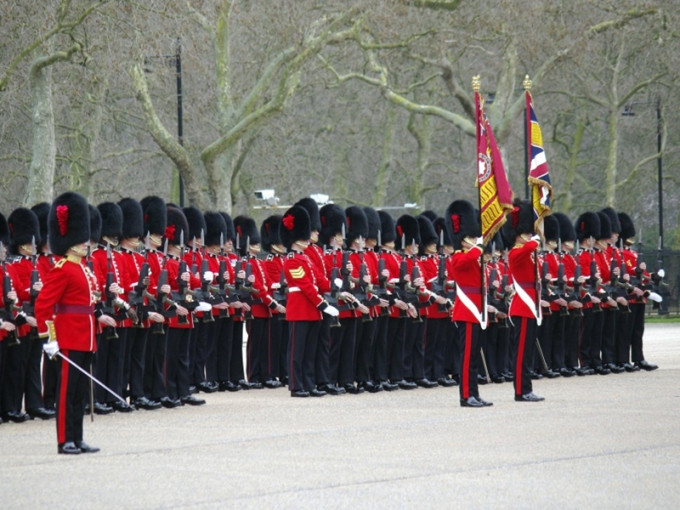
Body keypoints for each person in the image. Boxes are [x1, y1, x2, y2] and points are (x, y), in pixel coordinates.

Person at [35, 191, 117, 454]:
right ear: (69, 242)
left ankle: (78, 438)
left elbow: (87, 305)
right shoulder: (61, 269)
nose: (86, 243)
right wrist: (50, 338)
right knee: (66, 393)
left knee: (80, 393)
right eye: (81, 239)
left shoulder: (83, 268)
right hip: (69, 339)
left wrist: (97, 316)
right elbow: (43, 305)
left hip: (86, 337)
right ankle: (64, 440)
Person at [280, 204, 338, 397]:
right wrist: (323, 304)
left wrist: (336, 286)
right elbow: (305, 286)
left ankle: (309, 383)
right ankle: (296, 386)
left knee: (310, 351)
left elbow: (319, 281)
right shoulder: (292, 259)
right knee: (297, 352)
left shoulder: (305, 258)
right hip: (300, 309)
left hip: (312, 310)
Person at [445, 200, 492, 408]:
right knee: (466, 358)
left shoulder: (474, 256)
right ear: (461, 239)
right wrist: (479, 246)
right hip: (467, 310)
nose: (474, 240)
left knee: (473, 357)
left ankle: (474, 392)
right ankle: (466, 395)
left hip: (477, 309)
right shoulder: (458, 257)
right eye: (471, 237)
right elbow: (465, 262)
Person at [503, 199, 545, 402]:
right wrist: (535, 238)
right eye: (526, 232)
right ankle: (520, 390)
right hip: (522, 305)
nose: (529, 235)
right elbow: (529, 247)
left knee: (527, 352)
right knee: (520, 353)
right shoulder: (515, 252)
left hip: (531, 305)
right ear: (517, 235)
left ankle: (526, 388)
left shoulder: (528, 251)